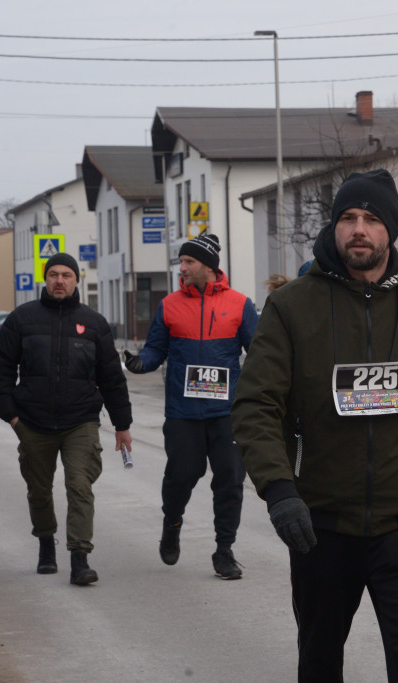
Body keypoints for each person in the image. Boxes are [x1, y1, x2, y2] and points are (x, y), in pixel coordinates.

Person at [231, 169, 398, 681]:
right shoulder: (292, 306)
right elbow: (256, 404)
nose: (358, 229)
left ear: (391, 230)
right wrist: (279, 490)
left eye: (370, 219)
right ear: (334, 228)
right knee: (319, 661)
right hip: (322, 526)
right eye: (347, 218)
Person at [0, 252, 132, 586]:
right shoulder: (22, 319)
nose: (59, 280)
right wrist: (10, 416)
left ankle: (80, 558)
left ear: (76, 280)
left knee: (79, 485)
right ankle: (45, 545)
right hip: (33, 422)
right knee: (39, 490)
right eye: (53, 274)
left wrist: (122, 425)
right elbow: (1, 370)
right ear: (45, 278)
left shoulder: (94, 323)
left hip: (80, 420)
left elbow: (112, 378)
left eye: (66, 275)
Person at [124, 233, 257, 580]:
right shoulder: (169, 305)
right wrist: (141, 363)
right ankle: (172, 523)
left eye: (188, 262)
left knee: (230, 479)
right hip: (183, 412)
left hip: (226, 412)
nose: (181, 268)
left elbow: (259, 351)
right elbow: (156, 349)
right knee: (182, 476)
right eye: (181, 262)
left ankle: (224, 550)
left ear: (208, 267)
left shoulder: (240, 304)